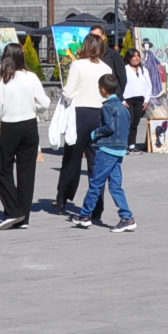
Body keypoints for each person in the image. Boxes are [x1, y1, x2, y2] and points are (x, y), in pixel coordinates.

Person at [0, 43, 52, 229]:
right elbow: (45, 102)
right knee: (26, 171)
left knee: (3, 170)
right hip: (30, 125)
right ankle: (23, 217)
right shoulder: (31, 77)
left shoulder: (2, 81)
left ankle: (13, 211)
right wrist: (35, 108)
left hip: (10, 126)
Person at [71, 72, 135, 231]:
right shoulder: (123, 107)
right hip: (120, 150)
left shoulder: (107, 107)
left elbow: (109, 127)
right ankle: (127, 217)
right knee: (115, 185)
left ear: (103, 90)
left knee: (96, 183)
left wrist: (94, 133)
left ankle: (85, 215)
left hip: (107, 149)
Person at [55, 33, 112, 212]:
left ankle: (63, 198)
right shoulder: (106, 68)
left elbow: (67, 92)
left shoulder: (77, 65)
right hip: (100, 115)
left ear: (86, 46)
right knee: (96, 163)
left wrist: (70, 94)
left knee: (71, 158)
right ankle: (97, 205)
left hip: (80, 115)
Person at [122, 47, 150, 152]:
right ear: (129, 58)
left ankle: (132, 145)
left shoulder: (143, 70)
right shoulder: (125, 69)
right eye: (134, 56)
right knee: (128, 122)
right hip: (128, 99)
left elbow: (148, 85)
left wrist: (146, 100)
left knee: (135, 122)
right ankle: (124, 144)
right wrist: (123, 100)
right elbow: (121, 85)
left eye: (138, 56)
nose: (136, 58)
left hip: (140, 99)